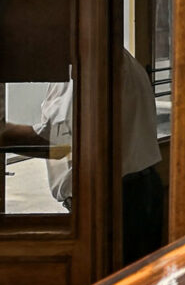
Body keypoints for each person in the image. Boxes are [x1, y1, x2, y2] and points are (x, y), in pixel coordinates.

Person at [0, 47, 164, 263]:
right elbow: (68, 144)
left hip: (114, 204)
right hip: (138, 192)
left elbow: (58, 141)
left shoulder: (84, 67)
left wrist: (4, 135)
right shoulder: (119, 58)